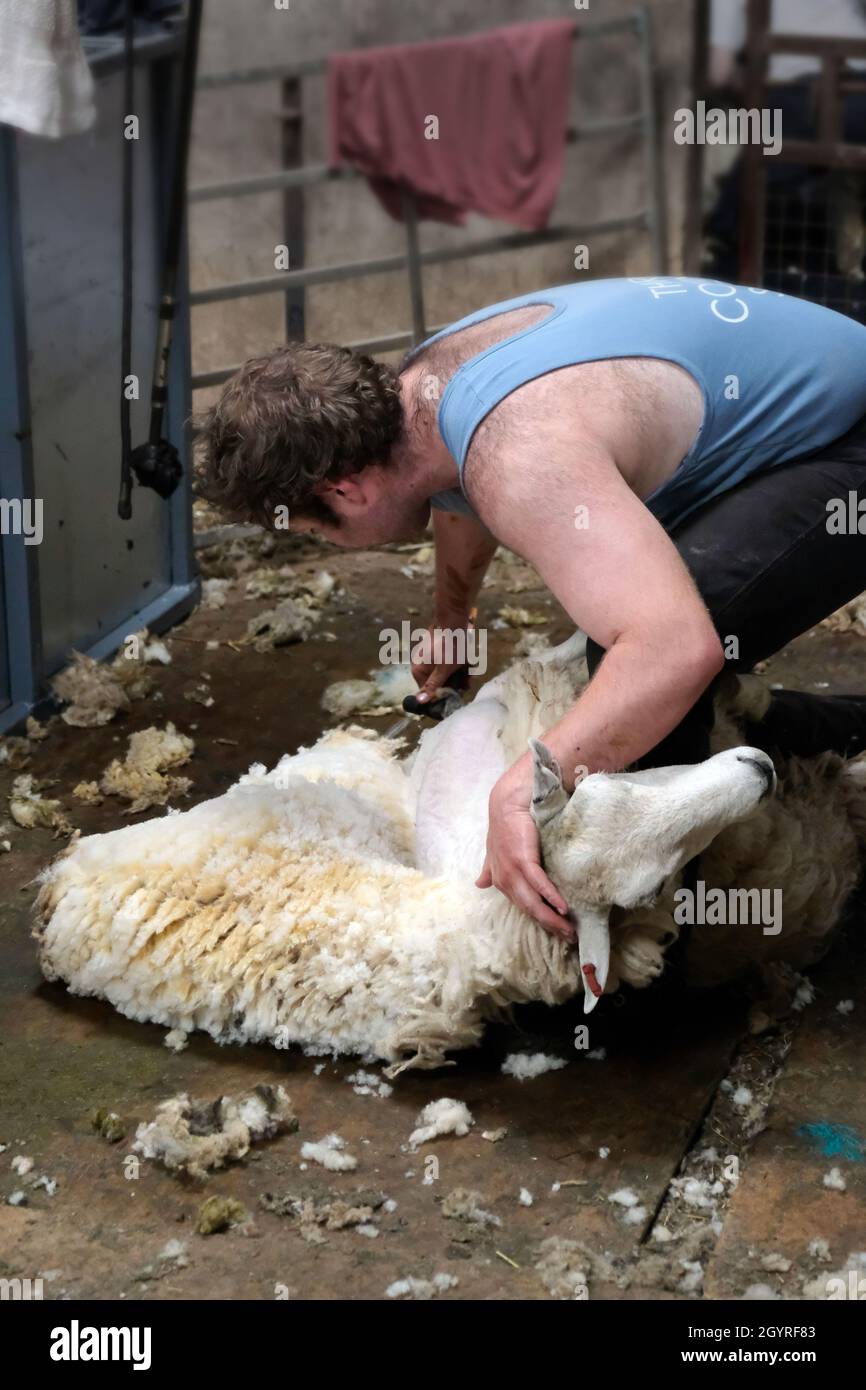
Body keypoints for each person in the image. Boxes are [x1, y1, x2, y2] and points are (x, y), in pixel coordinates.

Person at [197, 275, 866, 943]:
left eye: (318, 531)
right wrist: (451, 621)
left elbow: (672, 649)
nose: (326, 542)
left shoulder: (515, 451)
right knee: (629, 642)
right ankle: (803, 733)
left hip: (849, 446)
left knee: (638, 657)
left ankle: (667, 938)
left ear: (344, 490)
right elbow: (464, 488)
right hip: (804, 415)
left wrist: (525, 786)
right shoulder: (421, 398)